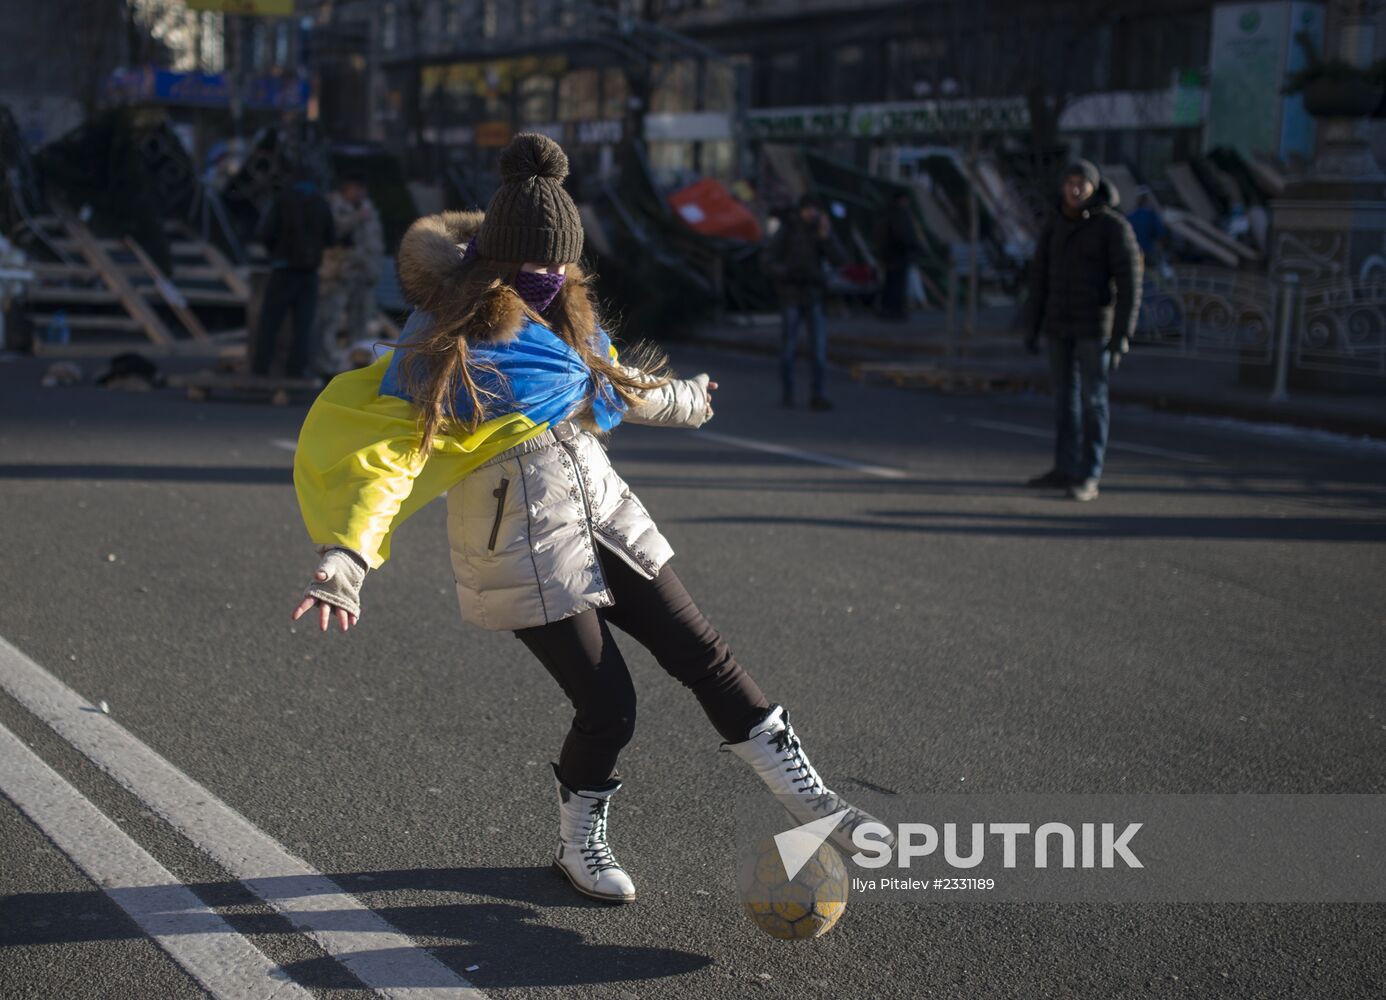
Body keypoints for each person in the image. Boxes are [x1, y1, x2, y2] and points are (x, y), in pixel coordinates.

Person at [288, 134, 891, 904]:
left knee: (704, 650)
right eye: (534, 263)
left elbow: (615, 381)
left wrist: (690, 399)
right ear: (496, 257)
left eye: (559, 262)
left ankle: (814, 804)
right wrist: (347, 558)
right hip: (521, 542)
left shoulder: (570, 314)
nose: (549, 276)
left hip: (605, 515)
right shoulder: (444, 337)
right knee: (608, 705)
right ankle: (579, 844)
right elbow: (394, 453)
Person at [1023, 159, 1143, 502]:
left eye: (1082, 183)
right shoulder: (1055, 224)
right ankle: (1064, 467)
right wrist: (1031, 325)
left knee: (1093, 401)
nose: (1075, 189)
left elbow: (1130, 284)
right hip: (1059, 325)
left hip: (1094, 328)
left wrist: (1122, 335)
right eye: (1070, 182)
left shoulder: (1112, 226)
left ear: (1094, 187)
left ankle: (1089, 474)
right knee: (1065, 402)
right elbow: (1039, 278)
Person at [763, 193, 846, 410]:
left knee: (818, 351)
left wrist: (825, 236)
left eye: (814, 209)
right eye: (808, 209)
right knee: (788, 349)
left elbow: (839, 259)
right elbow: (769, 259)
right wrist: (788, 273)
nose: (811, 213)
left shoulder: (820, 230)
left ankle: (818, 394)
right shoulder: (789, 229)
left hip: (814, 294)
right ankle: (788, 394)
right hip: (791, 294)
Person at [252, 166, 335, 378]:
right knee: (303, 325)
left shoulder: (282, 200)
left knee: (270, 321)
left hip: (282, 268)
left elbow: (264, 233)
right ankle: (296, 370)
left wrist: (276, 253)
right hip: (309, 272)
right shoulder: (321, 203)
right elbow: (331, 237)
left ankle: (260, 368)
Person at [315, 171, 385, 375]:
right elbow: (333, 233)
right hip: (338, 273)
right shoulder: (335, 207)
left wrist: (374, 269)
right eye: (355, 189)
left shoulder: (369, 211)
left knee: (360, 320)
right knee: (330, 320)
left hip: (363, 274)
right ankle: (327, 365)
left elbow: (375, 243)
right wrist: (355, 218)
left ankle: (356, 363)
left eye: (362, 189)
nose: (360, 193)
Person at [875, 190, 923, 320]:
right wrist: (910, 245)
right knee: (896, 283)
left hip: (891, 254)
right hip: (897, 254)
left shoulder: (887, 212)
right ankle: (893, 310)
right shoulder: (898, 214)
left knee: (891, 282)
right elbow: (901, 234)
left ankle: (888, 309)